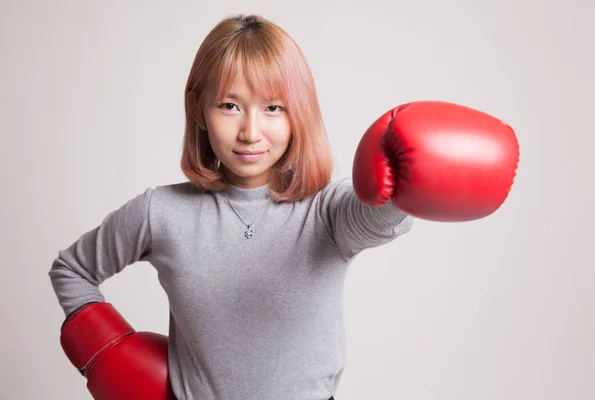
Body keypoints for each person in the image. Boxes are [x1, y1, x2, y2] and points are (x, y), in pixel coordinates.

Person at [49, 14, 519, 400]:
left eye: (273, 108)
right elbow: (71, 269)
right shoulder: (162, 212)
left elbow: (374, 219)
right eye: (230, 105)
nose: (251, 131)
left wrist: (401, 184)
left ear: (300, 113)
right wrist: (107, 351)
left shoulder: (325, 211)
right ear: (199, 110)